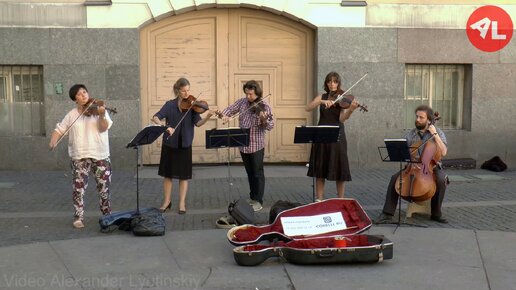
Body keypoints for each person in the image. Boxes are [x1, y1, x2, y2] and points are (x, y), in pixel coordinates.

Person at [49, 84, 113, 229]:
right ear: (75, 99)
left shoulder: (98, 109)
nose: (83, 95)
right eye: (79, 94)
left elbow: (103, 128)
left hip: (100, 154)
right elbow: (59, 129)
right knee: (79, 188)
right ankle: (78, 217)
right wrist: (53, 142)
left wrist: (102, 114)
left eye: (84, 92)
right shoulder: (72, 114)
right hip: (80, 155)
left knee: (104, 188)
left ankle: (107, 214)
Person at [376, 104, 449, 223]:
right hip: (412, 166)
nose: (417, 120)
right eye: (417, 117)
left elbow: (444, 151)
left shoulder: (438, 133)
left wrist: (435, 135)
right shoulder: (411, 134)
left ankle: (436, 214)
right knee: (395, 178)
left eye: (421, 117)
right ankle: (387, 213)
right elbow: (404, 151)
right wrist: (408, 159)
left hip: (432, 167)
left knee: (441, 180)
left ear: (429, 120)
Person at [152, 78, 213, 214]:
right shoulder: (169, 105)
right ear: (178, 90)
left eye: (188, 90)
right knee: (167, 175)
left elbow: (198, 123)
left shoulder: (192, 107)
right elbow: (155, 117)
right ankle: (167, 201)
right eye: (183, 90)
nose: (186, 93)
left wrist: (208, 117)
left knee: (183, 176)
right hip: (169, 143)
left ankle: (181, 203)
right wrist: (164, 126)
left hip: (185, 144)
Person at [217, 80, 275, 211]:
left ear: (257, 93)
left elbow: (271, 125)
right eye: (247, 94)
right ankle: (253, 197)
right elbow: (230, 109)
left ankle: (258, 200)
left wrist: (264, 119)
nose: (248, 97)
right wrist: (224, 115)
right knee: (249, 173)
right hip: (243, 144)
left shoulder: (264, 105)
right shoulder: (242, 102)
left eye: (251, 94)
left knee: (257, 173)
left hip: (256, 145)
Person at [305, 72, 359, 201]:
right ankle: (319, 199)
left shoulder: (342, 98)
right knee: (320, 168)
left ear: (338, 83)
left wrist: (350, 110)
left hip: (337, 134)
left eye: (335, 82)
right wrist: (323, 101)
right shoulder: (321, 97)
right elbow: (308, 108)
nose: (332, 84)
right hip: (322, 134)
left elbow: (342, 118)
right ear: (326, 83)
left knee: (339, 167)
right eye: (329, 81)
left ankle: (340, 200)